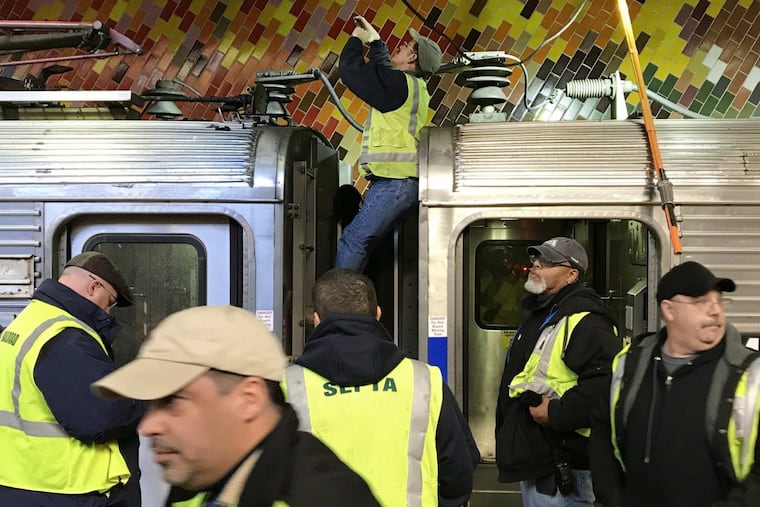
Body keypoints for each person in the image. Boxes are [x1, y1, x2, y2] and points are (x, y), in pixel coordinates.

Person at [91, 305, 380, 507]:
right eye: (151, 405)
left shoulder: (320, 498)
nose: (148, 425)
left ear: (249, 399)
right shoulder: (199, 482)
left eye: (173, 401)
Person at [284, 268, 480, 506]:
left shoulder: (286, 387)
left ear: (316, 320)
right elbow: (459, 473)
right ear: (377, 314)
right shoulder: (426, 382)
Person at [590, 261, 760, 506]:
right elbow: (602, 429)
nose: (716, 311)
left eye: (719, 301)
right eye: (702, 302)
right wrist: (611, 495)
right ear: (669, 310)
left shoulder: (750, 373)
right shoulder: (630, 364)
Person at [0, 251, 145, 506]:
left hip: (26, 483)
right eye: (109, 301)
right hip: (68, 490)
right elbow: (101, 418)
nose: (109, 311)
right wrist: (146, 400)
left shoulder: (28, 321)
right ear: (93, 287)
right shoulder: (65, 337)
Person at [495, 237, 622, 506]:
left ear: (572, 275)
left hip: (565, 465)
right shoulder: (541, 313)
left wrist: (554, 412)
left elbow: (605, 387)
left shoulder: (586, 321)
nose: (536, 266)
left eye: (548, 262)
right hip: (536, 456)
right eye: (536, 260)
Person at [335, 15, 443, 272]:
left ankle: (337, 306)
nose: (401, 46)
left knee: (353, 241)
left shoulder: (398, 86)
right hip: (399, 182)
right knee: (361, 241)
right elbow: (382, 71)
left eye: (406, 45)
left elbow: (352, 72)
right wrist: (376, 42)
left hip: (395, 183)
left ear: (413, 58)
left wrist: (355, 41)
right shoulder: (411, 86)